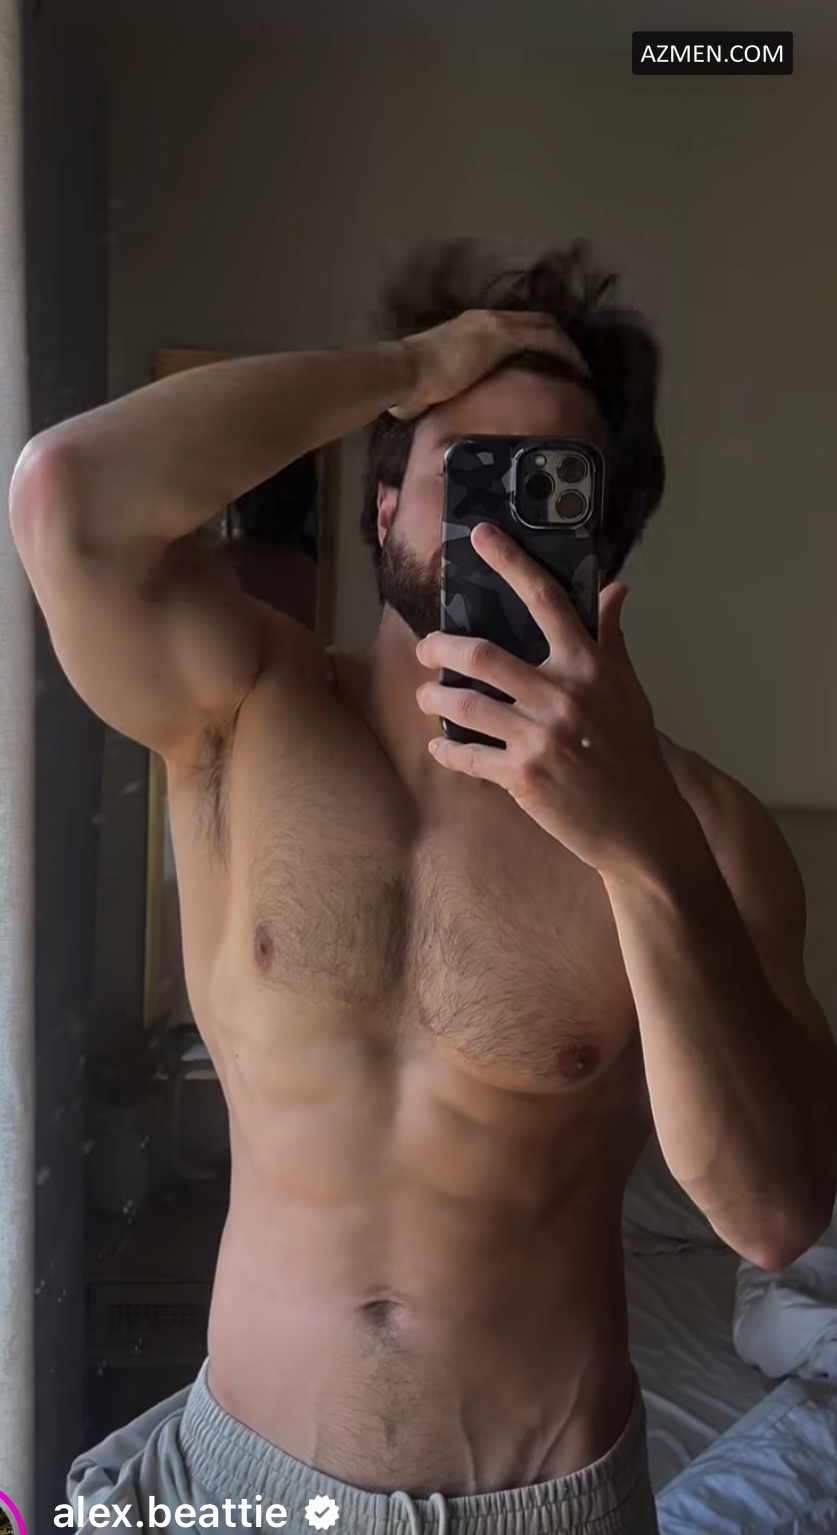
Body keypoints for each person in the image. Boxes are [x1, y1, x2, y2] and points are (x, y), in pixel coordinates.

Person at [12, 242, 837, 1534]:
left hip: (545, 1507)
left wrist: (639, 850)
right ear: (386, 503)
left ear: (600, 533)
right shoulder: (244, 708)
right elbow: (65, 495)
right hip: (234, 1485)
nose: (497, 513)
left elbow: (775, 1216)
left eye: (548, 480)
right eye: (468, 462)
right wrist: (404, 368)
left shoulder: (704, 832)